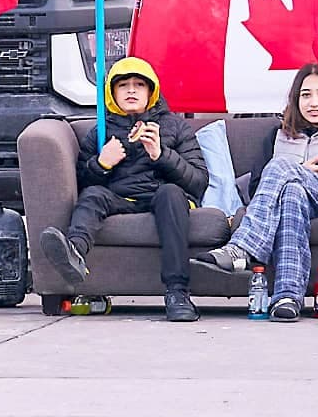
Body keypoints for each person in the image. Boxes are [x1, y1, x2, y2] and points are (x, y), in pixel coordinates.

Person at [188, 63, 318, 320]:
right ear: (296, 99)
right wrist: (298, 171)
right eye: (306, 95)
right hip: (297, 203)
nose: (314, 102)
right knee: (291, 193)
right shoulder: (278, 135)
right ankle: (287, 297)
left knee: (281, 166)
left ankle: (242, 248)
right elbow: (258, 187)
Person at [37, 56, 209, 322]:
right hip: (121, 198)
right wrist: (101, 163)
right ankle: (74, 254)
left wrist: (162, 155)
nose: (131, 90)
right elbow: (81, 183)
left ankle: (178, 293)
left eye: (139, 84)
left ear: (151, 92)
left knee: (171, 193)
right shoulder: (100, 131)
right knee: (93, 196)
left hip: (163, 196)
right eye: (123, 85)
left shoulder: (175, 126)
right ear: (111, 93)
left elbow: (198, 181)